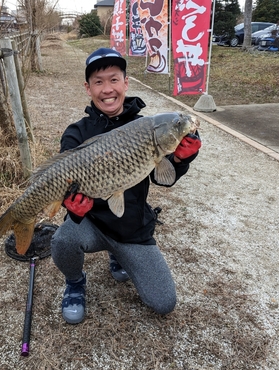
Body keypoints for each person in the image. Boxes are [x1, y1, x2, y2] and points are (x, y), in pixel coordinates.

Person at [50, 47, 201, 324]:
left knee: (164, 302)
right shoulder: (76, 133)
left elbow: (162, 178)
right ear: (88, 88)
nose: (107, 89)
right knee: (62, 240)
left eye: (114, 79)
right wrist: (73, 208)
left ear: (126, 83)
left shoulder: (147, 128)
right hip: (93, 224)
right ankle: (74, 282)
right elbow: (65, 189)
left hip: (132, 227)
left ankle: (119, 255)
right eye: (98, 81)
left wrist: (180, 159)